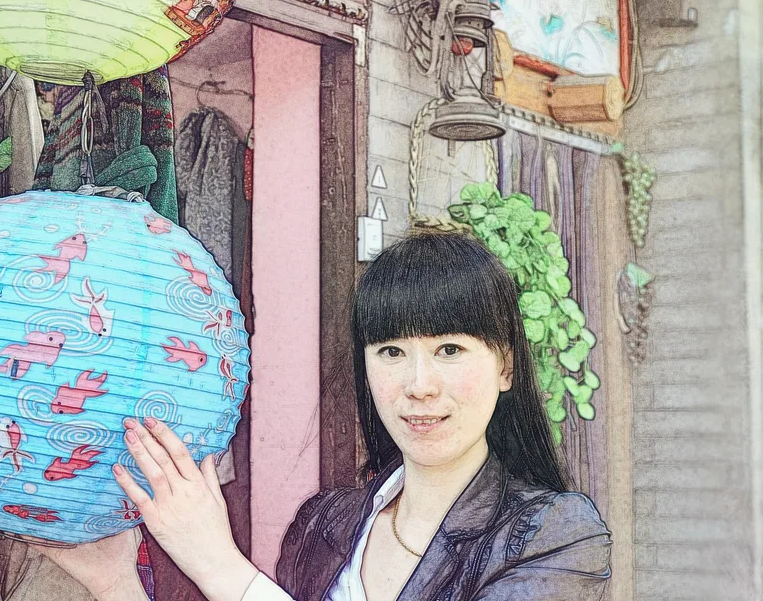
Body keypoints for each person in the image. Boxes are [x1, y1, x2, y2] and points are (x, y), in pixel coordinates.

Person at [41, 230, 612, 601]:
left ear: (505, 366)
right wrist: (116, 583)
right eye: (391, 352)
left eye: (449, 349)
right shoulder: (324, 525)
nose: (418, 386)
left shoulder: (554, 537)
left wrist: (219, 565)